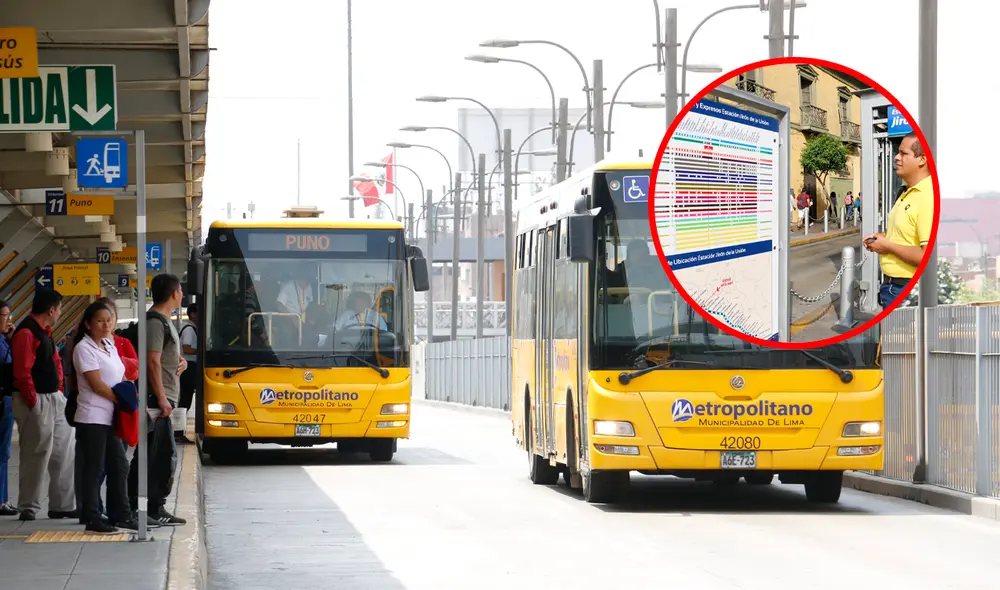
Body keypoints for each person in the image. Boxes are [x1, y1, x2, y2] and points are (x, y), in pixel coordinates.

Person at [9, 288, 76, 521]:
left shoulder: (45, 332)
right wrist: (34, 402)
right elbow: (22, 373)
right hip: (35, 398)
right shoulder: (27, 333)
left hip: (53, 399)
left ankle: (63, 505)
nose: (59, 313)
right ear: (51, 310)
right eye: (59, 309)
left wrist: (58, 392)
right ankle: (28, 505)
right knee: (36, 453)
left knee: (64, 451)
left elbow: (55, 363)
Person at [72, 301, 137, 533]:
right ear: (88, 324)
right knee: (94, 468)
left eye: (109, 320)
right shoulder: (83, 348)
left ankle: (121, 515)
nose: (106, 325)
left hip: (111, 418)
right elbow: (98, 385)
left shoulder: (109, 345)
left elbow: (121, 372)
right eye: (100, 321)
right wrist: (122, 400)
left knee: (119, 465)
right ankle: (92, 517)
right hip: (93, 418)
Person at [127, 274, 187, 526]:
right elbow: (151, 361)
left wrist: (179, 362)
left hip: (162, 401)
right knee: (155, 457)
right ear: (174, 293)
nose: (182, 294)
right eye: (181, 290)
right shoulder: (155, 322)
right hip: (155, 402)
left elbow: (162, 358)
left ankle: (151, 506)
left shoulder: (165, 321)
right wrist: (162, 399)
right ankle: (147, 507)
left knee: (158, 456)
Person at [863, 133, 934, 308]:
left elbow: (928, 255)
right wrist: (883, 237)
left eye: (904, 153)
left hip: (907, 290)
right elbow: (909, 233)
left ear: (922, 159)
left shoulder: (928, 197)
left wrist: (887, 246)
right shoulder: (905, 192)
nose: (897, 157)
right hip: (893, 288)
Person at [0, 300, 17, 516]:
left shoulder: (3, 341)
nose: (9, 320)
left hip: (5, 400)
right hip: (3, 401)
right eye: (5, 315)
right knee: (2, 451)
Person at [177, 303, 198, 442]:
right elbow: (187, 348)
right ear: (192, 314)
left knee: (187, 398)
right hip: (188, 366)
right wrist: (202, 350)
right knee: (185, 399)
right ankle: (178, 432)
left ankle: (179, 431)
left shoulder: (192, 328)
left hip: (190, 365)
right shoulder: (189, 329)